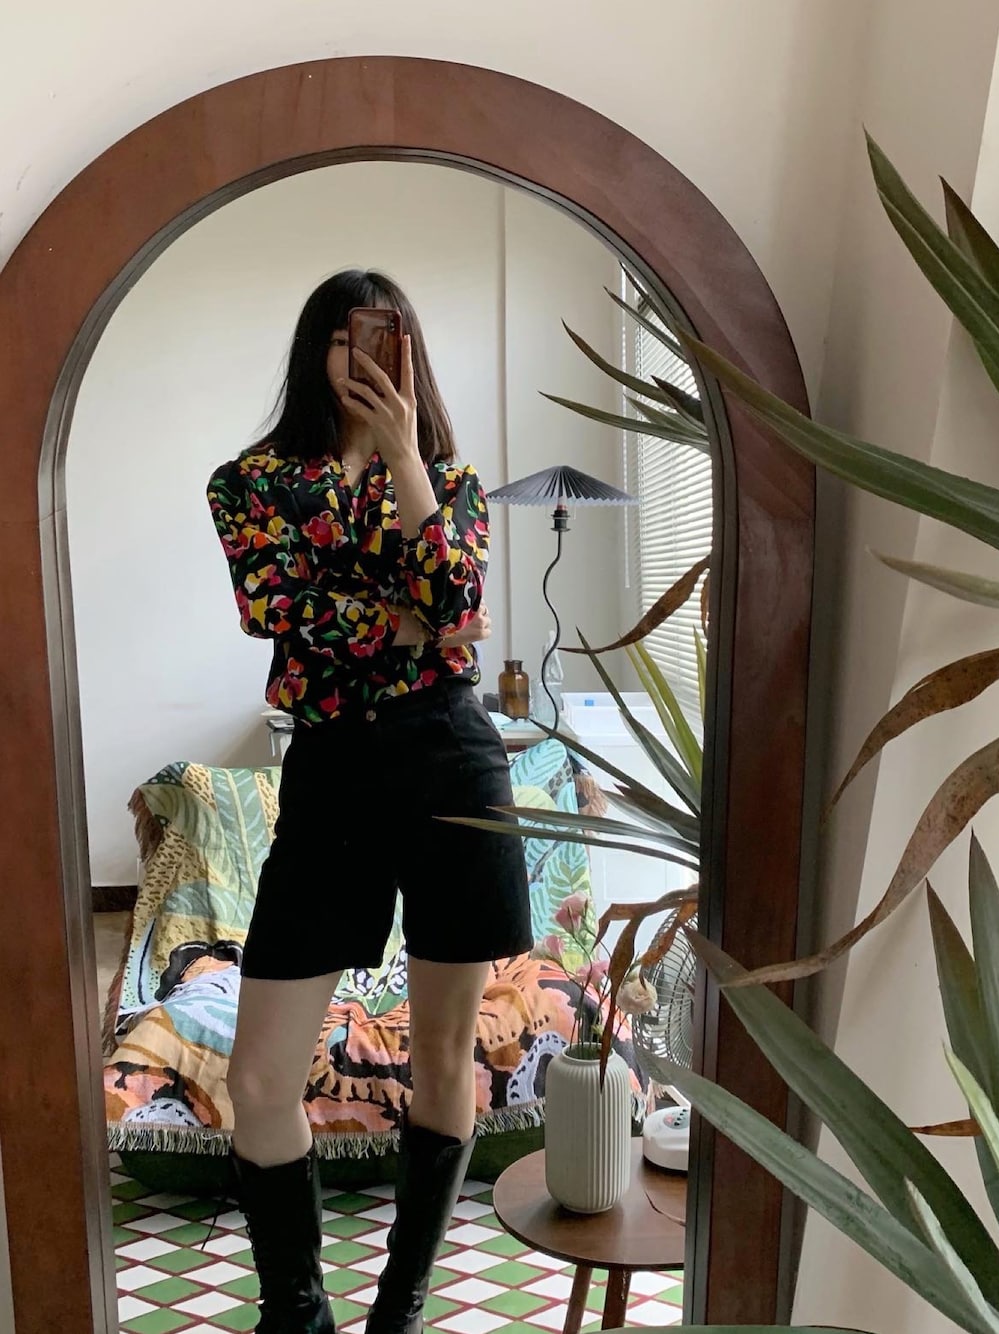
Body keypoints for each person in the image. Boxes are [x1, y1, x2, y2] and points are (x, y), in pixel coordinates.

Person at [206, 269, 533, 1334]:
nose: (366, 356)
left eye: (385, 338)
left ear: (408, 351)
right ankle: (296, 1314)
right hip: (332, 769)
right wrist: (407, 622)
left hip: (451, 762)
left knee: (444, 1055)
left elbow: (456, 600)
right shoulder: (249, 483)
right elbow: (274, 607)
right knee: (260, 1077)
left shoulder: (450, 480)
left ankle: (400, 1305)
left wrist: (404, 464)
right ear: (319, 349)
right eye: (348, 338)